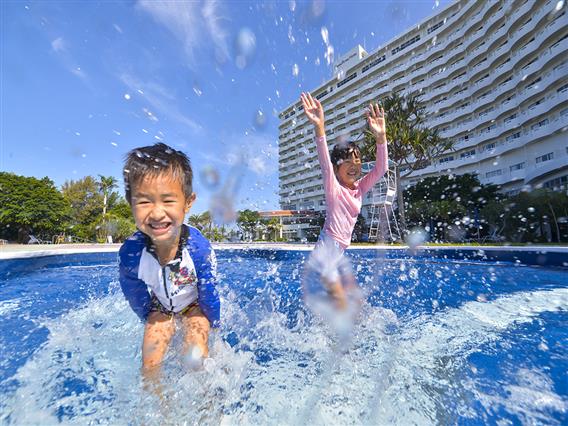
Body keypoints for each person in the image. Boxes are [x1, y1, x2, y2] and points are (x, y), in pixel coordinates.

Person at [118, 142, 220, 382]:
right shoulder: (131, 254)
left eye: (168, 200)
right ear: (130, 202)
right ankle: (160, 410)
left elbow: (209, 293)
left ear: (188, 202)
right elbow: (133, 292)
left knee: (196, 359)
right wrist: (152, 318)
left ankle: (208, 409)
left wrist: (214, 325)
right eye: (144, 201)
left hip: (193, 306)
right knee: (150, 367)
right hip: (160, 307)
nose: (156, 213)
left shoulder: (198, 250)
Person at [300, 92, 388, 310]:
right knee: (343, 307)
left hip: (337, 256)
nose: (353, 165)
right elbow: (323, 161)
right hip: (325, 256)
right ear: (337, 167)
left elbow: (381, 169)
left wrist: (381, 137)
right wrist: (319, 126)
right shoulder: (334, 187)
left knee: (356, 305)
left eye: (357, 160)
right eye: (347, 160)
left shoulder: (359, 189)